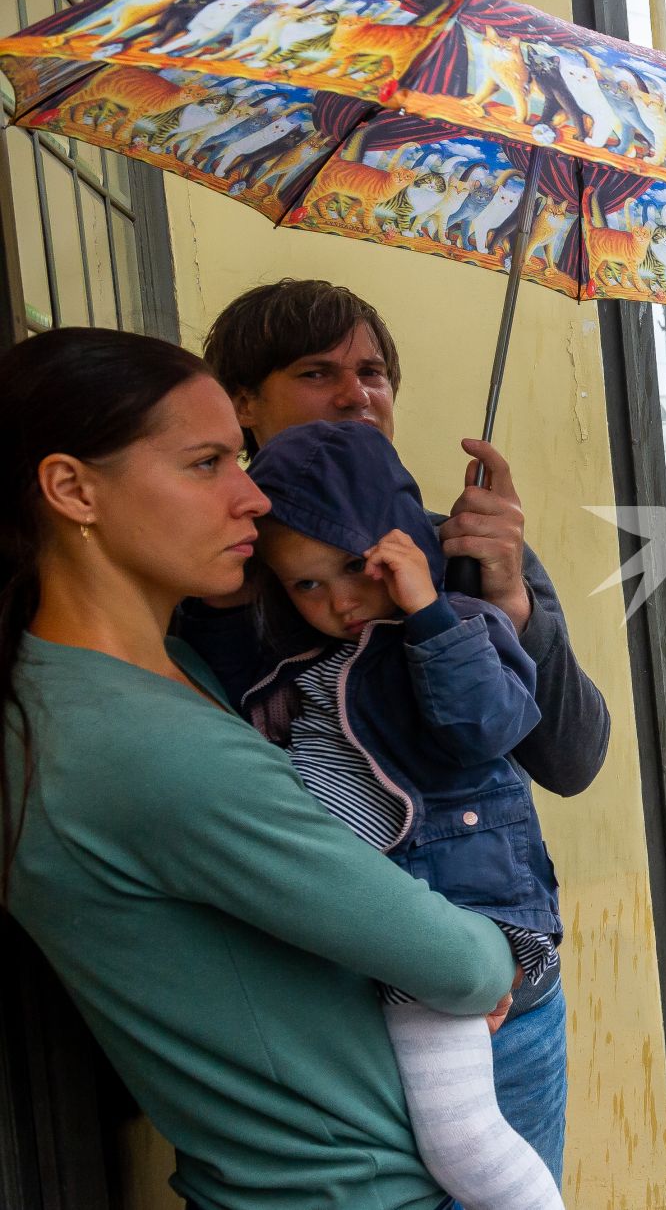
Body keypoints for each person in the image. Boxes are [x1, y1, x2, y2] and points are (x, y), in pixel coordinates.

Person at [1, 327, 517, 1209]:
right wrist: (495, 949)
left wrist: (498, 602)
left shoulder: (144, 675)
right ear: (71, 488)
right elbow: (464, 963)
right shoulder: (144, 747)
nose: (250, 494)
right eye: (206, 463)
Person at [181, 279, 609, 1177]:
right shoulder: (211, 579)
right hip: (317, 1008)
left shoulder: (459, 545)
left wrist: (510, 599)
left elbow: (571, 758)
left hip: (492, 997)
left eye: (373, 371)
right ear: (243, 405)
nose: (356, 394)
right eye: (318, 371)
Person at [232, 420, 563, 1210]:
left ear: (406, 543)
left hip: (466, 923)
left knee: (465, 1145)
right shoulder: (311, 666)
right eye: (308, 585)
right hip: (386, 938)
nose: (341, 600)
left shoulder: (465, 626)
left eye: (357, 566)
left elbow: (490, 728)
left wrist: (426, 613)